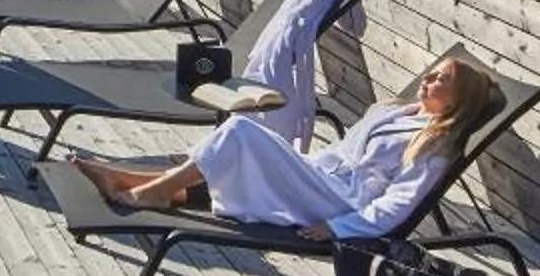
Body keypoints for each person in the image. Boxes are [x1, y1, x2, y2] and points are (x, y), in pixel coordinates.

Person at [71, 55, 499, 237]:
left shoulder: (435, 144)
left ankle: (151, 191)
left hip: (337, 202)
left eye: (439, 79)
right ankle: (143, 183)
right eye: (430, 74)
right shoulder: (398, 113)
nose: (426, 80)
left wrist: (340, 228)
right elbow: (346, 149)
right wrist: (301, 164)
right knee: (243, 140)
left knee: (241, 132)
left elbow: (399, 204)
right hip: (321, 176)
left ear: (459, 98)